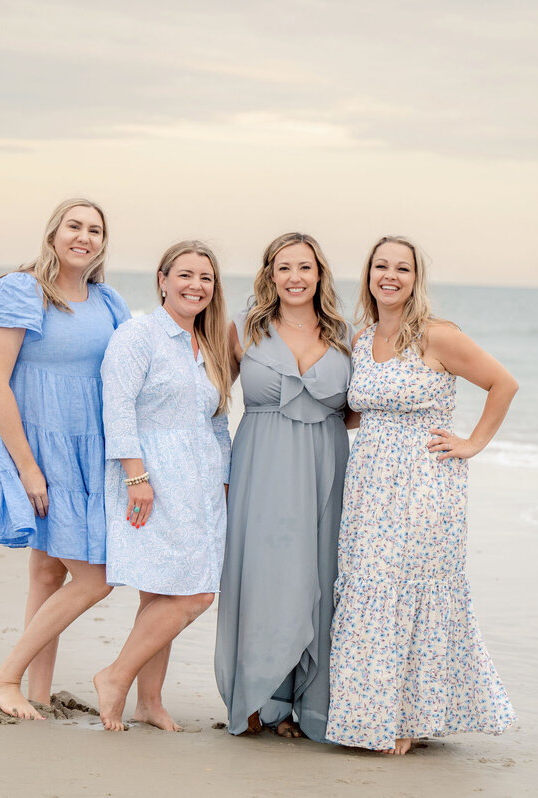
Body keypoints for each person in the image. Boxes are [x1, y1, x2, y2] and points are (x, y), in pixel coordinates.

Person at [325, 236, 519, 755]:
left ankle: (407, 720)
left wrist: (472, 444)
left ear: (416, 278)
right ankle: (369, 714)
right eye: (380, 266)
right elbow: (354, 412)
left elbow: (504, 384)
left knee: (411, 590)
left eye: (402, 268)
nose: (390, 275)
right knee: (369, 587)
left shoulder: (437, 336)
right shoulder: (361, 339)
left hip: (424, 485)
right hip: (369, 485)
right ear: (368, 275)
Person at [0, 198, 132, 720]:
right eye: (74, 226)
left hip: (93, 451)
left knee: (46, 573)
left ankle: (37, 694)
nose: (84, 237)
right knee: (95, 577)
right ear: (53, 233)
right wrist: (28, 467)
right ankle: (5, 677)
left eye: (95, 230)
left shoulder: (108, 301)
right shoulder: (21, 291)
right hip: (43, 450)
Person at [214, 233, 355, 741]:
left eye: (305, 267)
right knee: (266, 579)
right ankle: (257, 699)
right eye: (284, 267)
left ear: (320, 274)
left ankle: (307, 705)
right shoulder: (243, 331)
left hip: (327, 466)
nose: (295, 277)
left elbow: (362, 411)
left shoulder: (346, 335)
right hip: (262, 465)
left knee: (320, 579)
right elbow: (209, 399)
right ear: (269, 275)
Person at [93, 240, 233, 732]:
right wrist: (136, 476)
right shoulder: (138, 335)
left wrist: (225, 481)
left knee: (162, 593)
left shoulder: (208, 345)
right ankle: (115, 677)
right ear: (162, 279)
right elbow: (118, 407)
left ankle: (149, 702)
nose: (196, 286)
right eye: (186, 275)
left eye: (206, 279)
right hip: (152, 479)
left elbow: (217, 421)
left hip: (200, 484)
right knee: (194, 594)